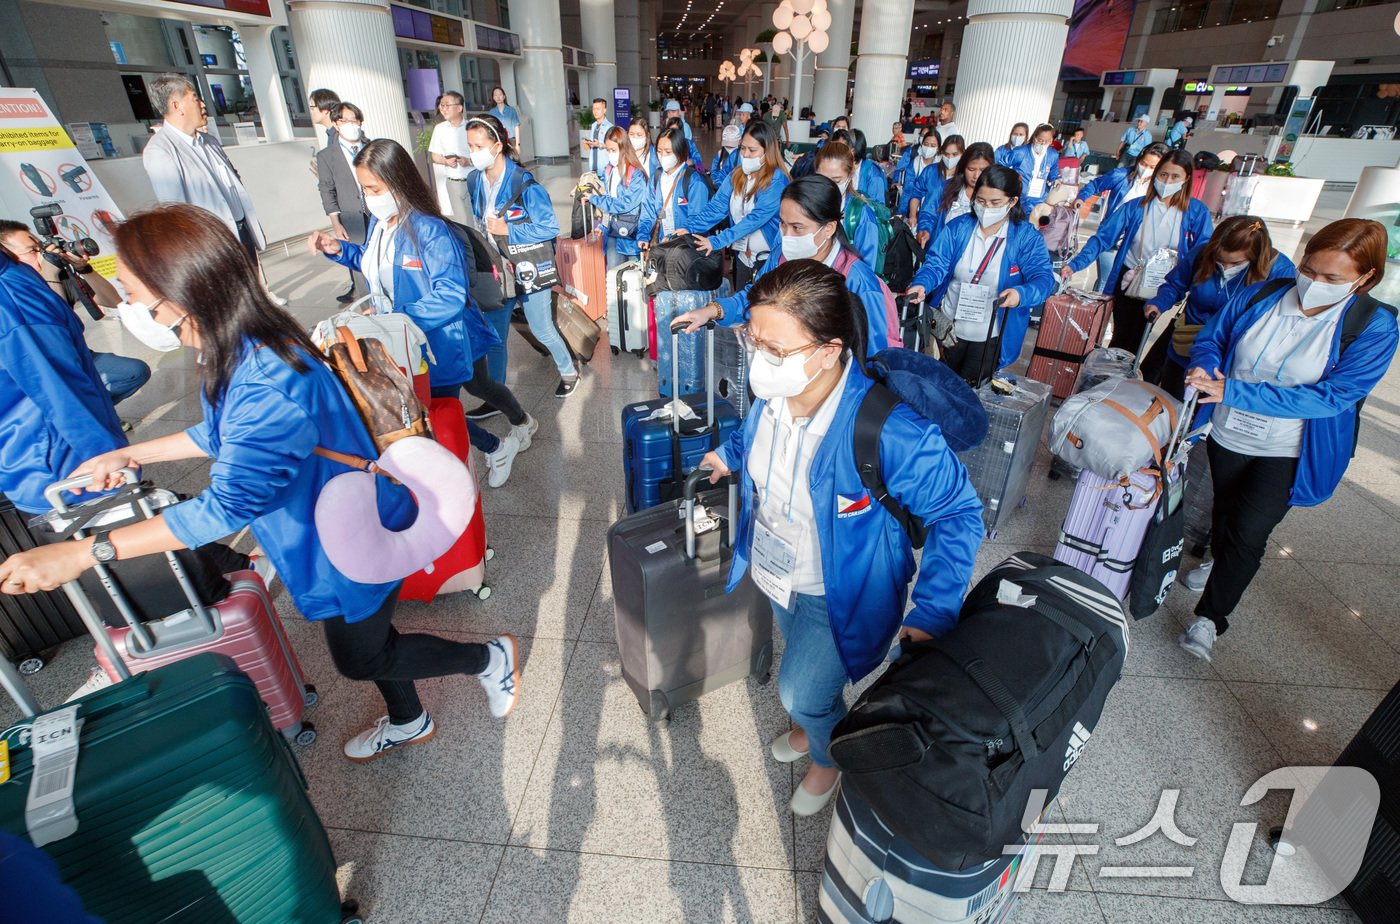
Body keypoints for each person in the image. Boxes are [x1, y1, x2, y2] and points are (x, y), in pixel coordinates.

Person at [0, 204, 522, 761]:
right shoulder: (240, 347)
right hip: (327, 529)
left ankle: (490, 659)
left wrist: (85, 553)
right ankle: (409, 718)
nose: (125, 304)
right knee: (365, 638)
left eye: (132, 291)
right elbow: (220, 434)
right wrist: (130, 452)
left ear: (178, 293)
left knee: (361, 657)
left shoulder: (265, 378)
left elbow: (220, 510)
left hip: (353, 539)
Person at [692, 259, 983, 815]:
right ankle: (812, 724)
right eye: (753, 341)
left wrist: (934, 610)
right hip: (779, 570)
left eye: (774, 349)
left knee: (798, 688)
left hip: (841, 590)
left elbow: (959, 512)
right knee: (803, 676)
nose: (759, 359)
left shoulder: (889, 430)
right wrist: (729, 458)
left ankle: (827, 756)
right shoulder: (773, 393)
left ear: (829, 351)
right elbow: (753, 435)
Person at [1176, 219, 1398, 662]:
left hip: (1291, 446)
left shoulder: (1374, 325)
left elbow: (1335, 395)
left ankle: (1210, 619)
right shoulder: (1264, 294)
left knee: (1251, 530)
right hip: (1230, 430)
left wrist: (1236, 391)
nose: (1314, 283)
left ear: (1366, 277)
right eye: (1310, 270)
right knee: (1226, 510)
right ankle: (1220, 561)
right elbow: (1214, 338)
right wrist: (1204, 366)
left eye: (1331, 278)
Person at [308, 138, 539, 486]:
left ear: (398, 183)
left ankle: (506, 437)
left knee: (449, 401)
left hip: (439, 340)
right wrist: (338, 249)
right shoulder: (380, 225)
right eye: (365, 189)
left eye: (374, 188)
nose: (369, 196)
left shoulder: (430, 230)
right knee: (438, 403)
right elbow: (375, 265)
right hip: (403, 339)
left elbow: (449, 294)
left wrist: (395, 317)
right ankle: (502, 440)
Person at [674, 175, 895, 353]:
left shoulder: (857, 280)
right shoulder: (782, 256)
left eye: (797, 228)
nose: (787, 236)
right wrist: (713, 310)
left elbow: (873, 355)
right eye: (782, 224)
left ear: (828, 228)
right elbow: (758, 296)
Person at [0, 237, 126, 516]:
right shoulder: (10, 294)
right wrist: (104, 456)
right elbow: (58, 388)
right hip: (69, 470)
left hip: (38, 461)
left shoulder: (14, 279)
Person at [464, 114, 581, 398]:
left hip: (529, 264)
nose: (473, 153)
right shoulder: (474, 180)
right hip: (497, 269)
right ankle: (496, 395)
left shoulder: (524, 182)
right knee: (495, 336)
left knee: (541, 329)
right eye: (469, 146)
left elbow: (550, 227)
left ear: (497, 145)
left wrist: (510, 229)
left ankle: (569, 371)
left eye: (478, 146)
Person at [906, 165, 1056, 382]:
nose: (986, 208)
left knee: (970, 392)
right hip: (948, 328)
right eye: (981, 201)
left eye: (995, 203)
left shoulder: (1025, 237)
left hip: (990, 334)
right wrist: (922, 283)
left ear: (1012, 202)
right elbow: (936, 264)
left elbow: (1044, 279)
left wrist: (1021, 294)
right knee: (938, 384)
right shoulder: (959, 228)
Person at [1063, 149, 1213, 351]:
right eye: (1163, 174)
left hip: (1164, 285)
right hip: (1130, 280)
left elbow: (1204, 250)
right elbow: (1103, 239)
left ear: (1186, 179)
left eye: (1175, 176)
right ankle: (1110, 377)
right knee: (1122, 337)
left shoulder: (1196, 211)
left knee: (1140, 337)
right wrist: (1075, 265)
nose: (1168, 181)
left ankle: (1122, 377)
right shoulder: (1135, 207)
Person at [141, 73, 273, 291]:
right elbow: (175, 211)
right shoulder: (160, 150)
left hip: (241, 234)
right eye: (195, 98)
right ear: (176, 105)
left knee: (253, 296)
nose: (203, 104)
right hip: (212, 245)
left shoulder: (209, 142)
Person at [0, 221, 148, 411]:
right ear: (8, 258)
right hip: (40, 371)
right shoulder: (9, 297)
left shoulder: (57, 276)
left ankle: (96, 412)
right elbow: (53, 327)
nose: (43, 255)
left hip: (77, 357)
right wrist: (50, 274)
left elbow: (113, 301)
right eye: (32, 251)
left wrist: (84, 270)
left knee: (134, 372)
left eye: (41, 248)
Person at [1145, 216, 1296, 398]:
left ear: (1255, 256)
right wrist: (1159, 303)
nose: (1225, 267)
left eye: (1235, 263)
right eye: (1220, 260)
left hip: (1230, 356)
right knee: (1169, 399)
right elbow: (1176, 284)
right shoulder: (1202, 254)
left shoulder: (1279, 271)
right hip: (1187, 344)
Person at [681, 119, 791, 291]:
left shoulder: (776, 181)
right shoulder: (736, 175)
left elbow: (754, 220)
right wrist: (689, 228)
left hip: (769, 260)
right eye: (743, 148)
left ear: (767, 151)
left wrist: (717, 241)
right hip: (742, 258)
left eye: (752, 150)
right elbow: (716, 208)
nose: (745, 155)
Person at [1074, 142, 1171, 293]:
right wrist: (1081, 197)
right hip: (1112, 239)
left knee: (1128, 287)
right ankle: (1098, 312)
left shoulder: (1161, 188)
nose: (1146, 169)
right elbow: (1095, 185)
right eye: (1143, 164)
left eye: (1152, 167)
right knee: (1105, 282)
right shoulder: (1121, 175)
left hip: (1138, 246)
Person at [317, 101, 371, 304]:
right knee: (358, 262)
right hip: (351, 217)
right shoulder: (327, 156)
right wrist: (336, 223)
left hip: (376, 212)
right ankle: (368, 305)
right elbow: (326, 190)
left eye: (354, 120)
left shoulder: (370, 147)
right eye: (345, 120)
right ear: (336, 124)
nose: (351, 124)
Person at [584, 125, 650, 270]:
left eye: (613, 150)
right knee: (613, 274)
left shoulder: (636, 174)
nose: (610, 154)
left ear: (624, 148)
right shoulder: (609, 170)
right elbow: (609, 201)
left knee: (635, 278)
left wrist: (596, 199)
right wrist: (603, 225)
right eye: (608, 150)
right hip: (613, 231)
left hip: (632, 233)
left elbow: (624, 204)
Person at [637, 127, 712, 246]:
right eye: (659, 151)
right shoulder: (656, 178)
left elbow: (697, 219)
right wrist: (643, 235)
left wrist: (673, 237)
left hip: (687, 250)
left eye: (668, 152)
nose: (662, 156)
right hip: (663, 245)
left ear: (679, 152)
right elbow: (648, 211)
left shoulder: (693, 182)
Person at [814, 142, 882, 272]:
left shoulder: (860, 214)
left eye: (836, 180)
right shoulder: (804, 205)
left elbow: (866, 270)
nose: (829, 186)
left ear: (850, 175)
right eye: (822, 179)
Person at [915, 141, 995, 248]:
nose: (976, 176)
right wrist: (925, 229)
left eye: (982, 170)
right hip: (942, 249)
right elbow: (930, 210)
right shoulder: (947, 188)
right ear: (963, 167)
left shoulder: (995, 197)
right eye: (971, 169)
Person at [908, 134, 964, 230]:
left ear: (962, 154)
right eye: (946, 154)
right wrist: (912, 216)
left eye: (954, 154)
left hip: (948, 229)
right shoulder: (930, 171)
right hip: (925, 224)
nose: (950, 158)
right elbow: (916, 194)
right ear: (941, 152)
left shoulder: (964, 178)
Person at [428, 91, 472, 212]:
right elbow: (435, 155)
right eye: (442, 105)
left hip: (473, 180)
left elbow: (481, 153)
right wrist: (445, 161)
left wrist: (468, 161)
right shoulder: (439, 129)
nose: (443, 109)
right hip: (453, 181)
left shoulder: (472, 127)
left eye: (447, 105)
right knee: (461, 221)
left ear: (459, 108)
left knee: (478, 220)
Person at [1005, 123, 1061, 213]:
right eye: (1040, 140)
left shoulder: (1053, 155)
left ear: (1051, 140)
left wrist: (1055, 179)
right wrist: (1012, 175)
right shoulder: (1020, 152)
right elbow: (1002, 166)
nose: (1043, 143)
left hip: (1039, 199)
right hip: (1018, 197)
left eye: (1046, 141)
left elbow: (1053, 171)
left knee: (1032, 224)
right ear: (1035, 137)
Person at [894, 127, 942, 218]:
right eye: (926, 144)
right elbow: (908, 190)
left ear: (938, 148)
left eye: (933, 146)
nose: (928, 148)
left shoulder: (941, 168)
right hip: (911, 211)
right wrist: (901, 213)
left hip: (932, 214)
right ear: (922, 144)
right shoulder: (915, 164)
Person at [582, 98, 614, 177]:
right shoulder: (593, 126)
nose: (595, 111)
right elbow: (594, 143)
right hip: (593, 167)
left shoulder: (610, 127)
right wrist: (589, 144)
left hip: (604, 167)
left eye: (598, 109)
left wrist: (600, 145)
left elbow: (613, 147)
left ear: (604, 110)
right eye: (594, 109)